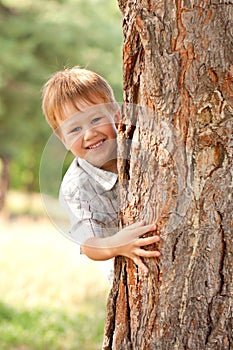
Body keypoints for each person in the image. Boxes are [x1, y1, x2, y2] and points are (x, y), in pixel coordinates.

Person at [42, 66, 160, 275]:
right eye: (75, 129)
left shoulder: (143, 145)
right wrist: (118, 244)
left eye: (96, 119)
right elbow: (90, 245)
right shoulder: (76, 188)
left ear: (116, 116)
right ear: (63, 140)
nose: (89, 134)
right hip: (130, 271)